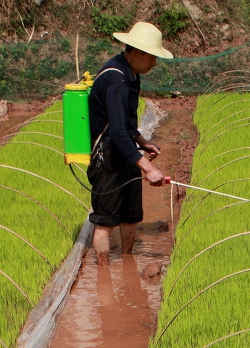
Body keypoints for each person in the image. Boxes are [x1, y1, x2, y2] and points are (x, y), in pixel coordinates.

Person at [87, 21, 173, 264]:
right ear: (137, 52)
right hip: (106, 157)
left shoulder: (131, 74)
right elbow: (115, 131)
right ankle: (103, 275)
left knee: (131, 215)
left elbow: (125, 122)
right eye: (152, 57)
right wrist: (148, 167)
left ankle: (127, 264)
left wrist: (142, 141)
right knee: (104, 221)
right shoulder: (115, 79)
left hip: (125, 151)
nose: (155, 63)